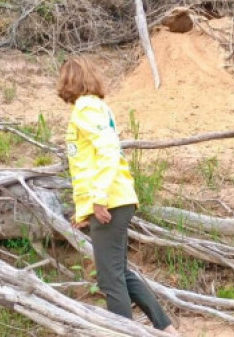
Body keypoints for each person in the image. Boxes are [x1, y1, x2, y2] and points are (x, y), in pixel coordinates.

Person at [57, 57, 178, 335]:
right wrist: (85, 208)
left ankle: (125, 332)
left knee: (110, 280)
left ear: (69, 82)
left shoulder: (85, 109)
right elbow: (90, 162)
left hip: (109, 202)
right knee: (120, 273)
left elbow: (108, 152)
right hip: (115, 199)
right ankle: (167, 329)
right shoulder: (97, 107)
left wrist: (97, 199)